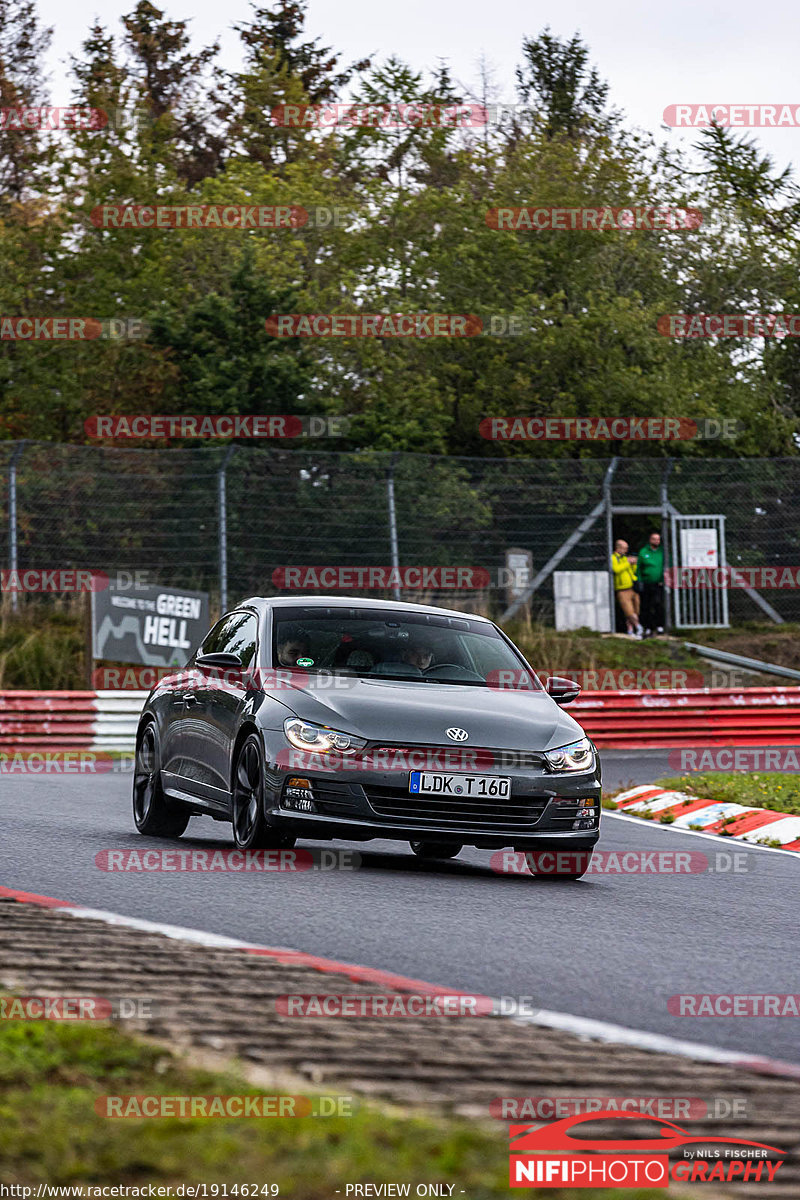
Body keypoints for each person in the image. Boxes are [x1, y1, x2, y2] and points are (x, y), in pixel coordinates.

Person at [611, 539, 643, 638]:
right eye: (624, 548)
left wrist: (634, 564)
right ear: (618, 548)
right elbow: (616, 569)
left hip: (632, 588)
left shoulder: (625, 558)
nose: (626, 550)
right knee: (628, 611)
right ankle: (639, 628)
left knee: (635, 611)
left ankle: (631, 630)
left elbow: (632, 572)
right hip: (622, 589)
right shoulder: (613, 558)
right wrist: (628, 563)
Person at [637, 531, 665, 636]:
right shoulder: (644, 551)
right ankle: (648, 627)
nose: (656, 541)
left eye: (658, 539)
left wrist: (664, 579)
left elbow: (668, 565)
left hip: (659, 583)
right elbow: (639, 567)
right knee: (646, 606)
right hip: (647, 583)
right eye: (654, 539)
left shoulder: (662, 551)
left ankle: (660, 626)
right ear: (650, 540)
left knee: (658, 604)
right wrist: (639, 580)